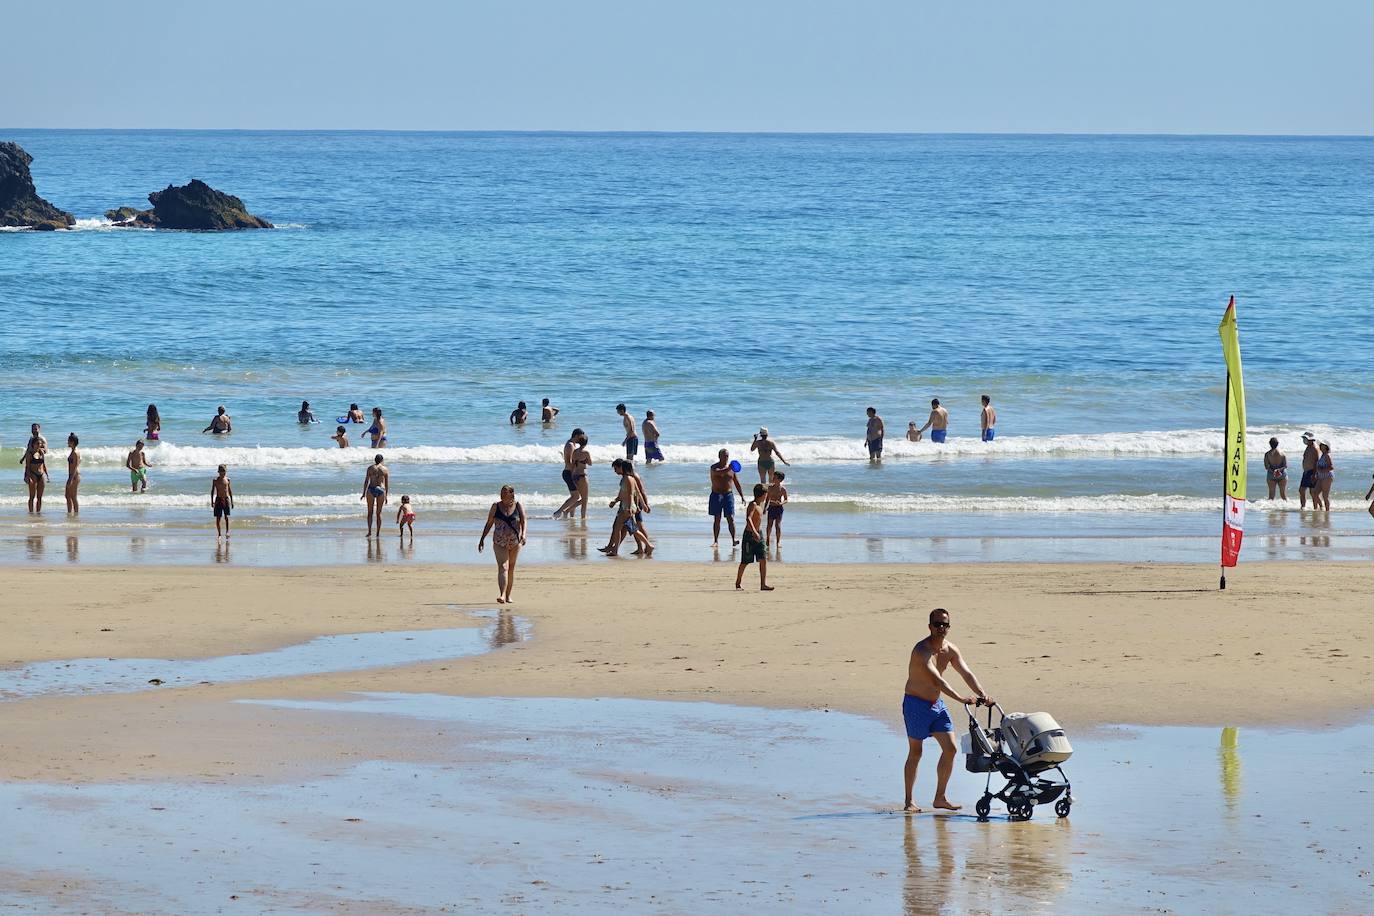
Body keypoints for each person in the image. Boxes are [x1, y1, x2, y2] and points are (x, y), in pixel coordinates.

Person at [903, 608, 993, 813]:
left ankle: (940, 798)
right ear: (930, 626)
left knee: (950, 749)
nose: (941, 628)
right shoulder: (921, 650)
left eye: (945, 624)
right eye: (937, 624)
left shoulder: (950, 649)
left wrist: (982, 694)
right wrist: (961, 698)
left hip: (937, 705)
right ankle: (909, 801)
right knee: (916, 752)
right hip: (915, 704)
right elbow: (937, 680)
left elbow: (966, 672)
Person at [478, 484, 526, 604]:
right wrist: (482, 538)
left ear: (511, 494)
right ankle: (502, 595)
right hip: (499, 542)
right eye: (501, 492)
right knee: (503, 567)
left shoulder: (518, 505)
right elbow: (489, 523)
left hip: (515, 542)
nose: (502, 494)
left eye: (505, 492)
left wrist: (524, 535)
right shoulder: (496, 506)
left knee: (511, 569)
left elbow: (524, 521)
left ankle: (508, 596)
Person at [735, 484, 773, 591]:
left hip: (759, 534)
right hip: (749, 535)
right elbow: (748, 519)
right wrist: (754, 532)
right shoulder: (753, 505)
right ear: (762, 495)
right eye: (766, 494)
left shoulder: (761, 506)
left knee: (763, 559)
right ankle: (738, 582)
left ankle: (763, 584)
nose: (766, 496)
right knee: (745, 561)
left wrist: (758, 533)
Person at [709, 449, 745, 546]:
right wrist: (729, 468)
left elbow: (737, 483)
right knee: (717, 518)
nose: (726, 458)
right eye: (724, 456)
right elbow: (719, 473)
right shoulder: (714, 467)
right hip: (716, 495)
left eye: (727, 456)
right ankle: (716, 541)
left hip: (728, 495)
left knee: (730, 518)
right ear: (719, 456)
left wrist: (742, 496)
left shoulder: (731, 469)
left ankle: (733, 540)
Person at [553, 428, 587, 518]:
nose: (581, 440)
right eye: (580, 437)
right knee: (576, 496)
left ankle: (571, 516)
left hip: (570, 473)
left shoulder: (572, 444)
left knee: (575, 496)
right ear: (576, 436)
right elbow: (570, 462)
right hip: (569, 473)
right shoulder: (571, 445)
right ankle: (559, 512)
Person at [20, 424, 48, 513]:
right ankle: (31, 513)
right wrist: (23, 458)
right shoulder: (31, 439)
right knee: (32, 496)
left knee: (39, 497)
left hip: (41, 470)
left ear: (39, 429)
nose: (34, 430)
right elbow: (28, 450)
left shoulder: (42, 439)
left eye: (36, 429)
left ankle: (38, 513)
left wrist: (39, 450)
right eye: (33, 429)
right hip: (32, 470)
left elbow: (46, 451)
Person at [361, 453, 389, 537]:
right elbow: (387, 483)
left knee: (370, 512)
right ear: (382, 460)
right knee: (378, 513)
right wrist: (386, 495)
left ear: (375, 460)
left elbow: (366, 481)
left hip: (371, 489)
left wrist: (363, 493)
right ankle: (377, 533)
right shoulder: (385, 469)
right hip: (381, 490)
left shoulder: (370, 468)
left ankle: (369, 532)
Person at [211, 464, 234, 538]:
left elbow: (230, 491)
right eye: (221, 471)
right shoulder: (215, 480)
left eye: (224, 471)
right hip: (218, 500)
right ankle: (219, 534)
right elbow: (212, 491)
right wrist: (212, 501)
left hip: (226, 499)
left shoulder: (228, 480)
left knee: (226, 516)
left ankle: (227, 532)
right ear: (218, 472)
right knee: (218, 518)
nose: (223, 473)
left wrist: (232, 501)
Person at [765, 470, 788, 546]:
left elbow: (786, 499)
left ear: (780, 480)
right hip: (771, 507)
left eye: (775, 477)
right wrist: (765, 508)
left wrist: (781, 503)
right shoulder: (770, 488)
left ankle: (778, 542)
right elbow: (767, 499)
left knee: (777, 525)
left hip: (779, 508)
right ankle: (767, 538)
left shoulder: (783, 489)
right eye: (773, 477)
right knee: (769, 525)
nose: (773, 478)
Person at [1299, 432, 1319, 508]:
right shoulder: (1308, 447)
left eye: (1306, 439)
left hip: (1311, 472)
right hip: (1306, 472)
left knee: (1312, 492)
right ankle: (1303, 506)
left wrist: (1314, 474)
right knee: (1303, 491)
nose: (1304, 440)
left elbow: (1317, 462)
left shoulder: (1315, 448)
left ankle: (1316, 507)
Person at [1315, 441, 1335, 510]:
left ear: (1326, 447)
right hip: (1320, 477)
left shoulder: (1327, 455)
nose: (1321, 446)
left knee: (1325, 496)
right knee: (1315, 493)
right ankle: (1321, 507)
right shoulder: (1322, 455)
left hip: (1327, 476)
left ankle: (1327, 511)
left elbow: (1331, 467)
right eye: (1320, 445)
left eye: (1322, 445)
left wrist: (1322, 470)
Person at [64, 433, 80, 514]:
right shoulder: (73, 451)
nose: (67, 442)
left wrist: (71, 479)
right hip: (71, 476)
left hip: (74, 476)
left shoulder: (75, 453)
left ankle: (76, 513)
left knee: (73, 497)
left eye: (69, 441)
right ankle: (69, 512)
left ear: (72, 442)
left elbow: (75, 467)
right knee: (67, 495)